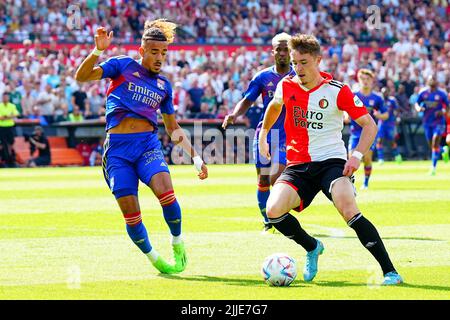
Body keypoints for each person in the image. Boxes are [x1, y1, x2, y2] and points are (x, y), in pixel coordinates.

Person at [259, 33, 403, 286]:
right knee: (273, 211)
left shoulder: (338, 90)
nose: (298, 68)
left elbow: (369, 125)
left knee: (348, 208)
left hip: (332, 163)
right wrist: (263, 134)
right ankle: (312, 247)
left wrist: (357, 156)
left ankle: (390, 271)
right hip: (298, 165)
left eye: (303, 62)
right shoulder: (287, 85)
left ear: (318, 60)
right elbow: (274, 105)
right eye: (294, 63)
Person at [74, 20, 208, 274]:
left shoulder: (164, 87)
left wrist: (196, 157)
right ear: (142, 50)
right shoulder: (122, 65)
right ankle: (154, 257)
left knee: (166, 193)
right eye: (155, 52)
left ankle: (177, 241)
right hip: (117, 152)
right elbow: (81, 77)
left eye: (164, 53)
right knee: (132, 214)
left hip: (147, 146)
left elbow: (173, 128)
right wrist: (98, 51)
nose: (160, 58)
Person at [222, 32, 295, 233]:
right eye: (278, 49)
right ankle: (268, 221)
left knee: (276, 178)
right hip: (265, 134)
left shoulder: (299, 76)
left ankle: (278, 212)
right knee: (263, 179)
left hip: (287, 136)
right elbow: (247, 99)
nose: (282, 52)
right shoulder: (262, 77)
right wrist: (234, 115)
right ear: (272, 52)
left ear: (291, 51)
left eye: (285, 49)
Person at [347, 69, 388, 189]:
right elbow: (345, 110)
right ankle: (350, 184)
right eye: (363, 79)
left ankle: (365, 182)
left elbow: (385, 115)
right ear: (359, 80)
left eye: (368, 79)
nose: (365, 82)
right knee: (350, 158)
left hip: (369, 133)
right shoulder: (353, 95)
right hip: (355, 132)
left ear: (372, 81)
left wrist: (378, 115)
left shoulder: (377, 98)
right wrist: (346, 116)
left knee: (367, 158)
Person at [415, 75, 449, 175]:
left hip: (438, 122)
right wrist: (418, 109)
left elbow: (447, 106)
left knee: (435, 141)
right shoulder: (423, 92)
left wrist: (442, 112)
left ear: (436, 81)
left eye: (433, 79)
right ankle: (443, 149)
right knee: (432, 145)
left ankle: (433, 168)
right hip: (427, 121)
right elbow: (417, 103)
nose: (432, 80)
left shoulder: (441, 93)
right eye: (430, 79)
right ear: (427, 80)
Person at [376, 87, 403, 164]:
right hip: (381, 123)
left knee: (392, 141)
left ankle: (397, 156)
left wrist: (397, 117)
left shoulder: (392, 100)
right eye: (383, 92)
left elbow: (397, 110)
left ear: (388, 92)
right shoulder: (379, 101)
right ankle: (380, 158)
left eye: (386, 92)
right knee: (379, 140)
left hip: (390, 123)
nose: (384, 94)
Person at [0, 92, 19, 167]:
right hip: (2, 127)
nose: (5, 98)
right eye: (4, 97)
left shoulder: (12, 106)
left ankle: (10, 159)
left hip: (10, 127)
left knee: (11, 143)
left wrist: (6, 117)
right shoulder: (0, 106)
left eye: (6, 97)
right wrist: (9, 116)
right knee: (3, 144)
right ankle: (5, 159)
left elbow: (16, 114)